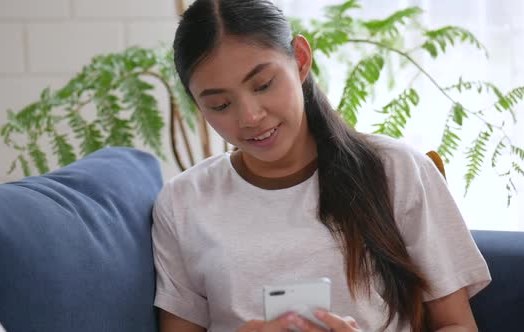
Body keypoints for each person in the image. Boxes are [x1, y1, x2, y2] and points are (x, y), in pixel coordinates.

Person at [151, 0, 491, 331]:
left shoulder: (397, 170)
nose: (250, 117)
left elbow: (457, 324)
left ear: (300, 60)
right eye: (220, 104)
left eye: (264, 85)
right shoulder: (183, 203)